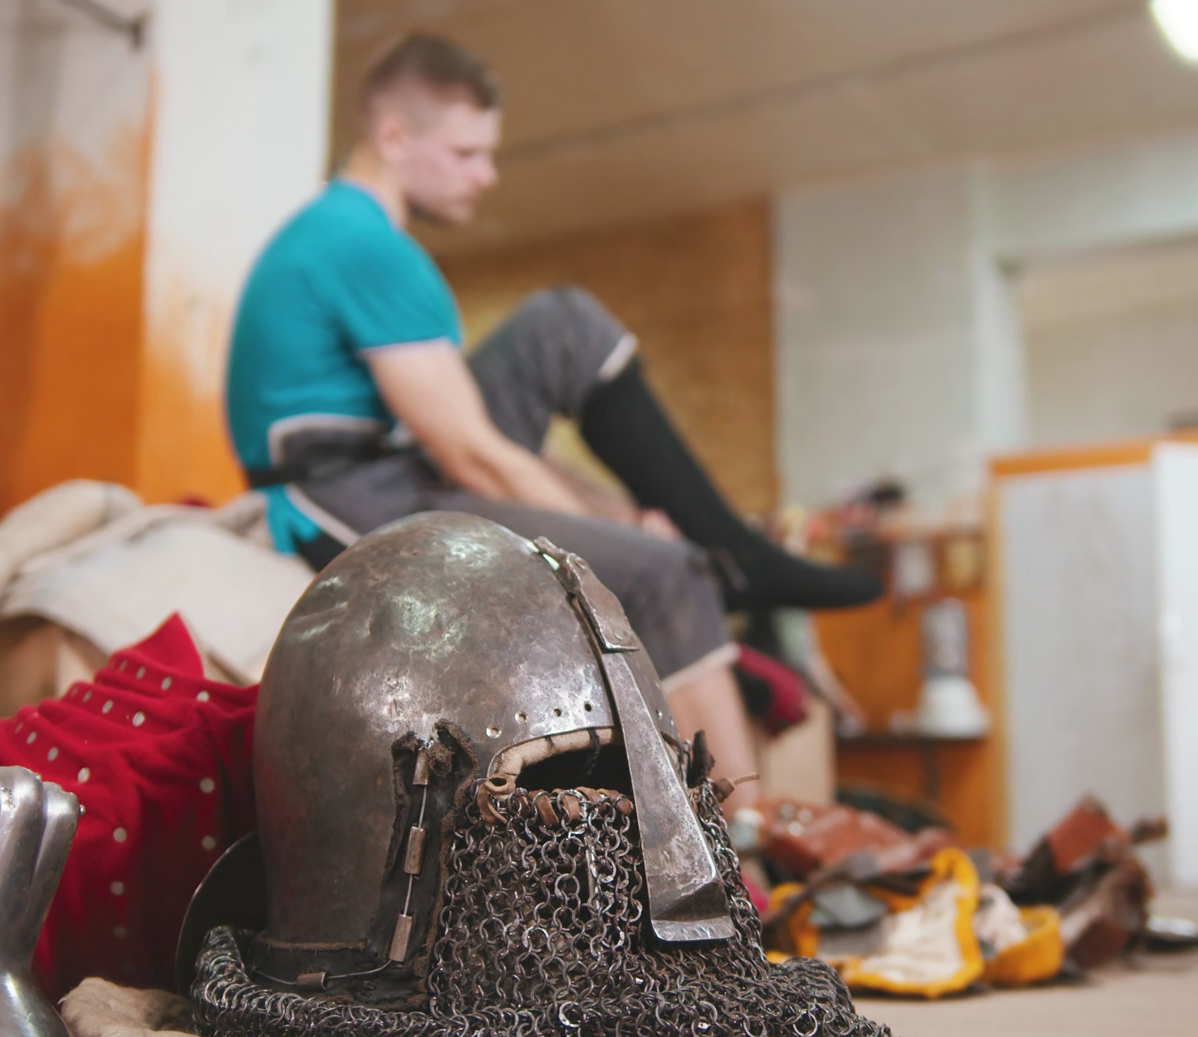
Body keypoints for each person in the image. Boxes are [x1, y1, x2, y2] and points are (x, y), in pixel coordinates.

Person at [225, 33, 881, 802]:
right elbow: (472, 455)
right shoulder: (365, 246)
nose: (487, 174)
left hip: (384, 465)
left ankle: (730, 549)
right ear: (394, 137)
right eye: (467, 153)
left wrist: (619, 518)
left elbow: (479, 446)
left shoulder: (348, 234)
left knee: (562, 327)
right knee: (666, 577)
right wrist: (628, 548)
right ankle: (743, 842)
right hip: (339, 497)